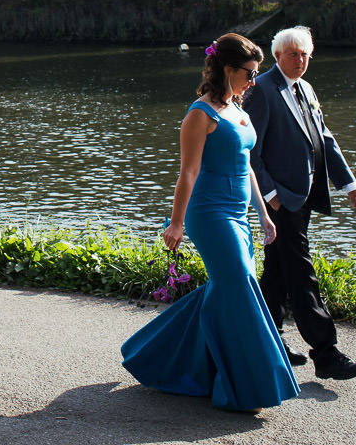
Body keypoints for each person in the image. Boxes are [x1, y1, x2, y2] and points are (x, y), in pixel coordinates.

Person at [121, 32, 300, 414]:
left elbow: (247, 165)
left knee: (224, 289)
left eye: (256, 73)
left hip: (238, 215)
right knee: (240, 283)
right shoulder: (199, 114)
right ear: (227, 69)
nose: (254, 81)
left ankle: (159, 358)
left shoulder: (240, 109)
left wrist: (264, 214)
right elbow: (188, 173)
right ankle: (247, 385)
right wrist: (176, 223)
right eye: (249, 74)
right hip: (210, 214)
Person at [244, 25, 356, 381]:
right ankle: (326, 354)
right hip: (282, 200)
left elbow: (323, 138)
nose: (300, 61)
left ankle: (269, 339)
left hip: (305, 195)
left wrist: (348, 183)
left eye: (305, 55)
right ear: (278, 55)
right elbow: (250, 148)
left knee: (279, 270)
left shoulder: (306, 88)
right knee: (301, 272)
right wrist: (270, 195)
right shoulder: (262, 90)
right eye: (294, 54)